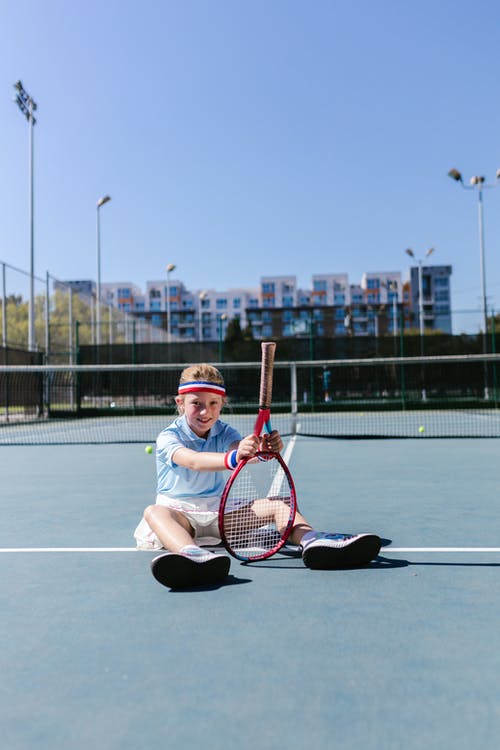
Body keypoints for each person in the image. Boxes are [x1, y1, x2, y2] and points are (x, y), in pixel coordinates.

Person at [134, 363, 381, 588]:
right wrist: (234, 457)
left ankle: (314, 541)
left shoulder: (224, 431)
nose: (204, 412)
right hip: (181, 518)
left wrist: (263, 450)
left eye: (213, 403)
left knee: (282, 505)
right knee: (154, 512)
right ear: (180, 403)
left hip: (222, 517)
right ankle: (192, 556)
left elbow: (240, 451)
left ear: (222, 404)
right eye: (196, 403)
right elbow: (194, 461)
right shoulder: (168, 437)